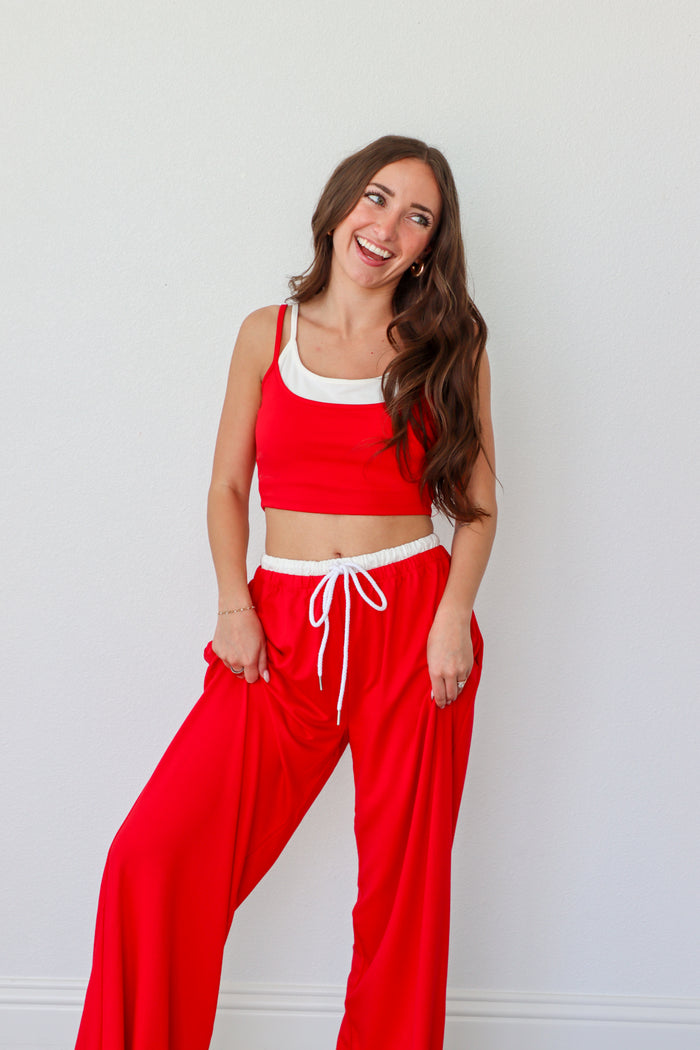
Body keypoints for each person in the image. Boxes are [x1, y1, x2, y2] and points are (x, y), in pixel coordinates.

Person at [75, 134, 497, 1050]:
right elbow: (228, 488)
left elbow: (478, 507)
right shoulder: (266, 334)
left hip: (413, 632)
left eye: (417, 216)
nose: (387, 226)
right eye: (377, 199)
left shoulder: (449, 345)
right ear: (343, 203)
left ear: (431, 244)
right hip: (280, 634)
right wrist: (234, 605)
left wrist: (454, 616)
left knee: (401, 902)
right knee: (150, 857)